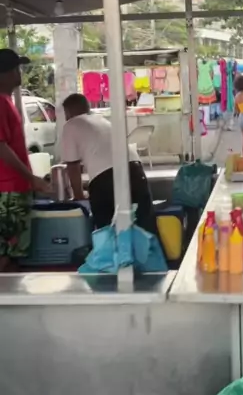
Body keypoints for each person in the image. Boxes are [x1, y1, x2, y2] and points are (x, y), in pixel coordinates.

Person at [61, 93, 158, 236]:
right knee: (145, 226)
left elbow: (72, 165)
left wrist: (78, 195)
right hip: (135, 169)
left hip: (105, 179)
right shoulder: (101, 120)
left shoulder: (71, 124)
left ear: (68, 112)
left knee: (108, 233)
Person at [0, 49, 50, 272]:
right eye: (15, 69)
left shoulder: (7, 101)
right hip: (8, 190)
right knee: (7, 252)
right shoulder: (0, 103)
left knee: (14, 254)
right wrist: (31, 178)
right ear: (5, 74)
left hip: (14, 188)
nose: (18, 73)